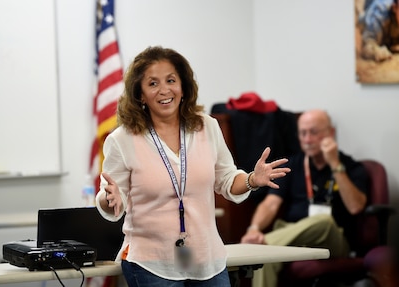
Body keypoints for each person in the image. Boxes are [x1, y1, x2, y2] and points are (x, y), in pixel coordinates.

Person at [94, 46, 291, 287]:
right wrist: (109, 198)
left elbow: (227, 180)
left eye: (171, 80)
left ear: (184, 86)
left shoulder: (207, 126)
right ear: (140, 94)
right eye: (153, 83)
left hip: (207, 260)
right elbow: (112, 198)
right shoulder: (122, 139)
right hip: (151, 264)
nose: (164, 90)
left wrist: (251, 180)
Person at [240, 109, 368, 287]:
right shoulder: (292, 164)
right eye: (303, 133)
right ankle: (264, 247)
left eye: (314, 132)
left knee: (323, 221)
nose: (307, 139)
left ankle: (264, 245)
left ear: (330, 133)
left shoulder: (351, 167)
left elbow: (356, 207)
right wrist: (254, 229)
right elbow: (270, 204)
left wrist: (335, 165)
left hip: (332, 241)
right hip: (293, 237)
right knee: (266, 260)